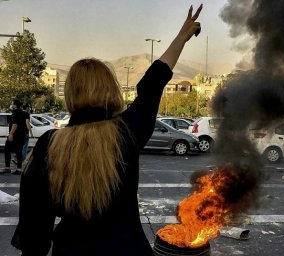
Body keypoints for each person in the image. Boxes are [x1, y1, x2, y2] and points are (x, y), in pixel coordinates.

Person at [11, 4, 202, 255]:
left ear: (70, 94)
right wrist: (181, 37)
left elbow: (34, 232)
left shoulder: (48, 144)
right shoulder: (127, 131)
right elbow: (153, 83)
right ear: (110, 89)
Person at [2, 99, 27, 174]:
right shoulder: (23, 113)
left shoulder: (15, 112)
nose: (11, 105)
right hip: (22, 135)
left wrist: (11, 134)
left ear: (15, 105)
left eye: (12, 104)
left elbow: (15, 124)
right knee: (18, 152)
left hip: (15, 136)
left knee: (7, 149)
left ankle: (8, 168)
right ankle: (19, 169)